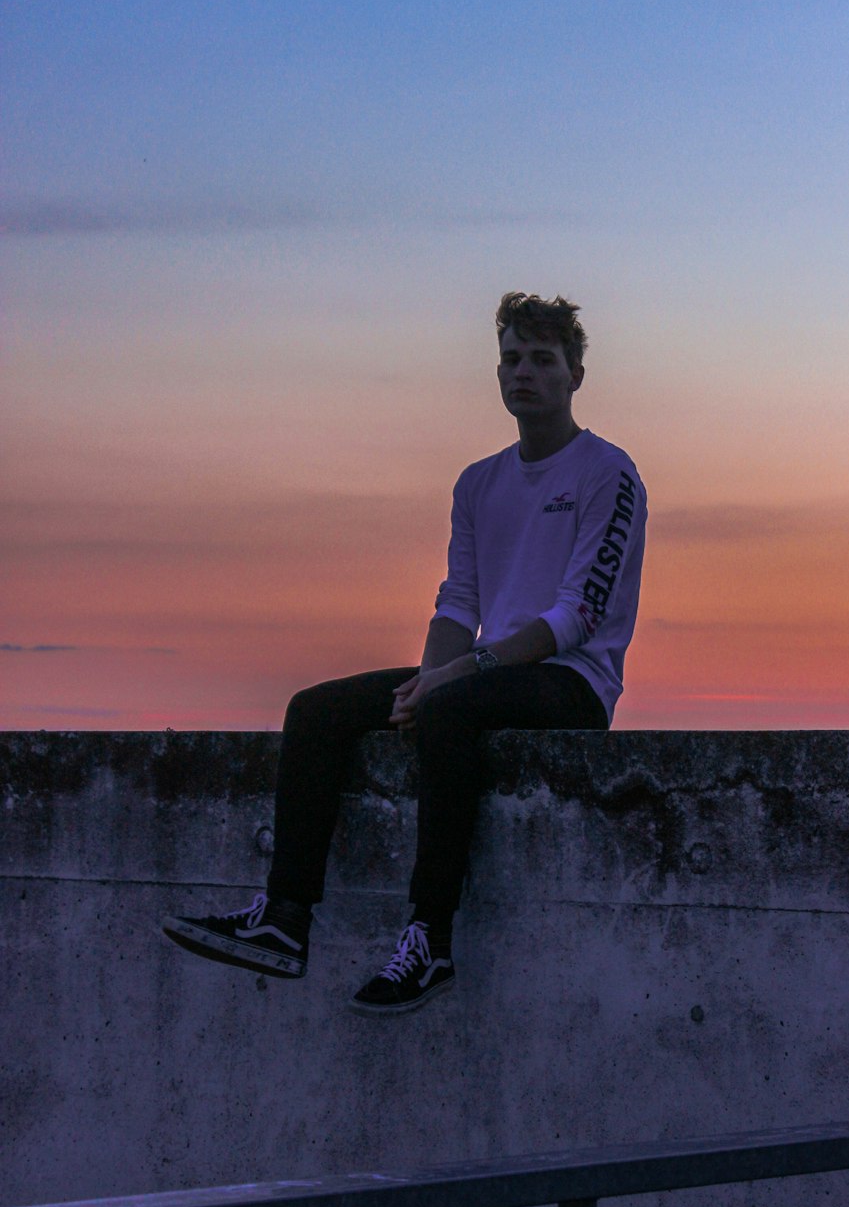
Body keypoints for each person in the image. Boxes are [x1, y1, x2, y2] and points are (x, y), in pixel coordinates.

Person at [161, 292, 647, 1014]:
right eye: (511, 359)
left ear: (576, 375)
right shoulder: (477, 483)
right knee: (318, 710)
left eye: (542, 361)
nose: (524, 374)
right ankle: (286, 918)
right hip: (480, 674)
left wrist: (459, 675)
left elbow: (577, 616)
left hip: (569, 683)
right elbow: (459, 603)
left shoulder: (609, 473)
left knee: (449, 707)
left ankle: (429, 941)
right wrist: (427, 677)